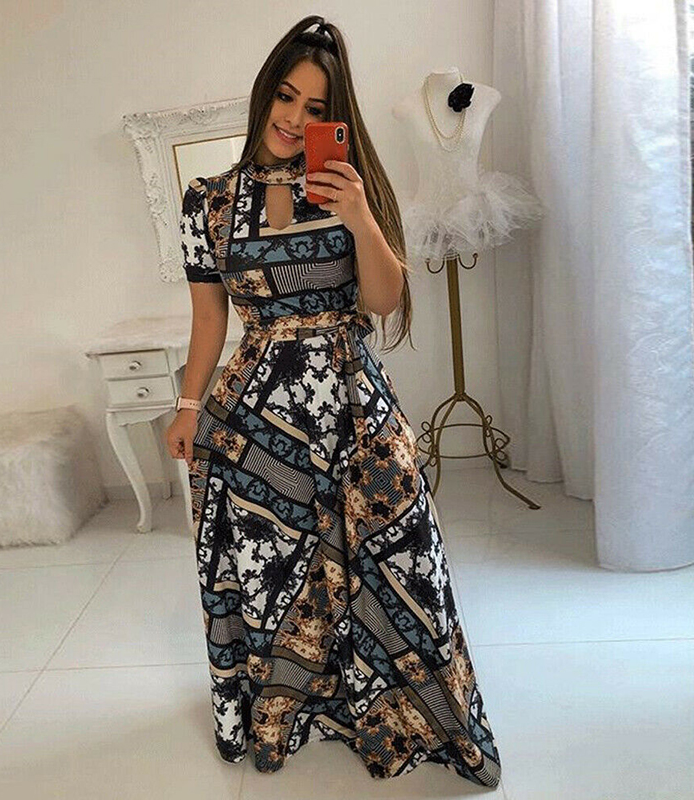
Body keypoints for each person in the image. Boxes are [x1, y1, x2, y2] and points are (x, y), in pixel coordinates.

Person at [166, 14, 502, 788]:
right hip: (254, 424)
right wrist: (187, 406)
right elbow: (209, 318)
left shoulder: (351, 187)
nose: (294, 118)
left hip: (355, 409)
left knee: (402, 561)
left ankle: (417, 714)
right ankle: (295, 710)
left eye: (315, 109)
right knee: (279, 578)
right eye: (286, 97)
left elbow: (383, 301)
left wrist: (357, 216)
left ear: (334, 118)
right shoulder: (207, 202)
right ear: (265, 94)